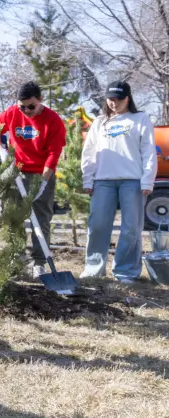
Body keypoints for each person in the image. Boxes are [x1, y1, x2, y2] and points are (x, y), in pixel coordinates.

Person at [80, 81, 157, 282]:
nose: (114, 103)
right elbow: (88, 153)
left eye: (119, 99)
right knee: (97, 225)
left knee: (131, 228)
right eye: (111, 99)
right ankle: (93, 269)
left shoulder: (140, 119)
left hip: (132, 181)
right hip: (103, 181)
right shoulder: (99, 122)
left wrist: (147, 180)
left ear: (127, 99)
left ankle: (125, 271)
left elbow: (148, 151)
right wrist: (88, 179)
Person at [0, 82, 66, 277]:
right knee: (11, 216)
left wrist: (43, 182)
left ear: (40, 100)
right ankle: (14, 259)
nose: (26, 111)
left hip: (41, 173)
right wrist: (2, 151)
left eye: (31, 106)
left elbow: (53, 154)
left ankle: (39, 263)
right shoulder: (11, 113)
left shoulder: (53, 120)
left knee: (40, 219)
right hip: (14, 172)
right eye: (22, 107)